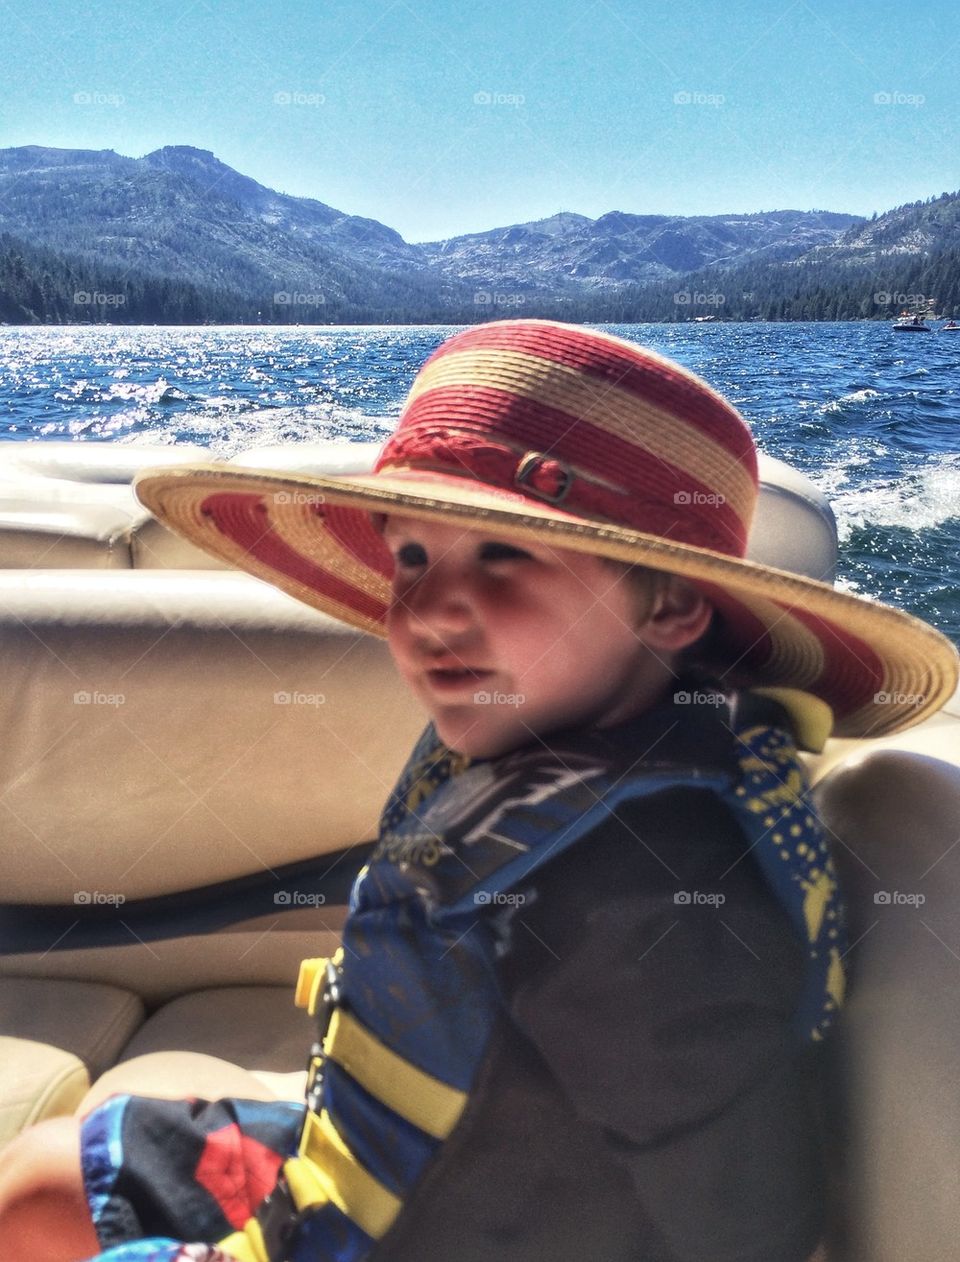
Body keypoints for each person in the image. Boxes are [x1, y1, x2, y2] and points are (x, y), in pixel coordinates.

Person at [0, 320, 956, 1262]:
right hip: (413, 1153)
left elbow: (746, 1224)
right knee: (41, 1181)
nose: (424, 609)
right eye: (411, 555)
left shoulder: (652, 899)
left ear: (669, 602)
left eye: (504, 553)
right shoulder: (574, 738)